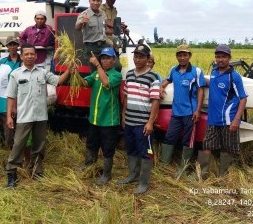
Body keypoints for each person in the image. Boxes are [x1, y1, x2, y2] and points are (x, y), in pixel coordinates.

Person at [5, 43, 73, 188]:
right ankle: (11, 174)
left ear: (36, 56)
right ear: (22, 56)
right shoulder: (16, 74)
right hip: (24, 117)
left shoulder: (42, 73)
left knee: (39, 146)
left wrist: (69, 71)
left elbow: (58, 81)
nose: (29, 56)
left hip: (41, 117)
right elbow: (11, 96)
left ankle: (36, 172)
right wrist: (9, 117)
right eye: (26, 54)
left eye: (32, 54)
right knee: (18, 145)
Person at [197, 44, 248, 179]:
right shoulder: (214, 71)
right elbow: (213, 83)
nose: (220, 59)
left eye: (223, 57)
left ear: (229, 58)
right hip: (212, 119)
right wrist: (198, 78)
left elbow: (243, 98)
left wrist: (237, 119)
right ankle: (202, 174)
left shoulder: (234, 77)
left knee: (227, 148)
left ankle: (222, 175)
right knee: (206, 145)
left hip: (228, 119)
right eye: (218, 56)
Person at [118, 44, 161, 194]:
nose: (137, 59)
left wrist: (150, 122)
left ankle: (143, 182)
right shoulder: (129, 74)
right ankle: (133, 175)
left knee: (145, 152)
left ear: (147, 58)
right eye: (136, 56)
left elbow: (155, 101)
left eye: (141, 56)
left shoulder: (153, 77)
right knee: (131, 150)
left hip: (143, 124)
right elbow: (126, 96)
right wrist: (124, 115)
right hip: (129, 121)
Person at [77, 47, 122, 186]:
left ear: (114, 60)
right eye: (103, 58)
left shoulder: (116, 75)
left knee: (108, 149)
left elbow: (106, 82)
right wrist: (74, 74)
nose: (105, 60)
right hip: (95, 118)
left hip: (109, 120)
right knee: (91, 143)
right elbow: (84, 83)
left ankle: (106, 174)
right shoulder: (96, 73)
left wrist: (96, 64)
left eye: (108, 58)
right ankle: (88, 165)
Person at [159, 44, 205, 179]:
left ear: (189, 56)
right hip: (176, 112)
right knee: (169, 137)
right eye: (180, 55)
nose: (182, 57)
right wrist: (161, 87)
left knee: (188, 141)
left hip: (190, 113)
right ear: (177, 57)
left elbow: (201, 90)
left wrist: (198, 110)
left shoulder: (196, 71)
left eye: (185, 55)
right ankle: (164, 164)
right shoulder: (174, 69)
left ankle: (183, 167)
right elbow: (167, 80)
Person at [75, 0, 108, 72]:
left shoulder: (103, 14)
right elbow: (77, 28)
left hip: (103, 46)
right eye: (93, 0)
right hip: (91, 47)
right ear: (89, 1)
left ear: (101, 2)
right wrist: (82, 22)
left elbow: (105, 28)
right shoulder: (84, 14)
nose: (96, 3)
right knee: (95, 74)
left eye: (98, 0)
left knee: (116, 66)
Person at [0, 36, 22, 149]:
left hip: (21, 96)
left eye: (15, 44)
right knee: (9, 122)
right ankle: (10, 147)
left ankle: (20, 146)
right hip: (7, 96)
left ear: (18, 46)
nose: (13, 47)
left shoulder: (23, 60)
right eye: (10, 45)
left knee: (20, 122)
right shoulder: (3, 62)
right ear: (6, 46)